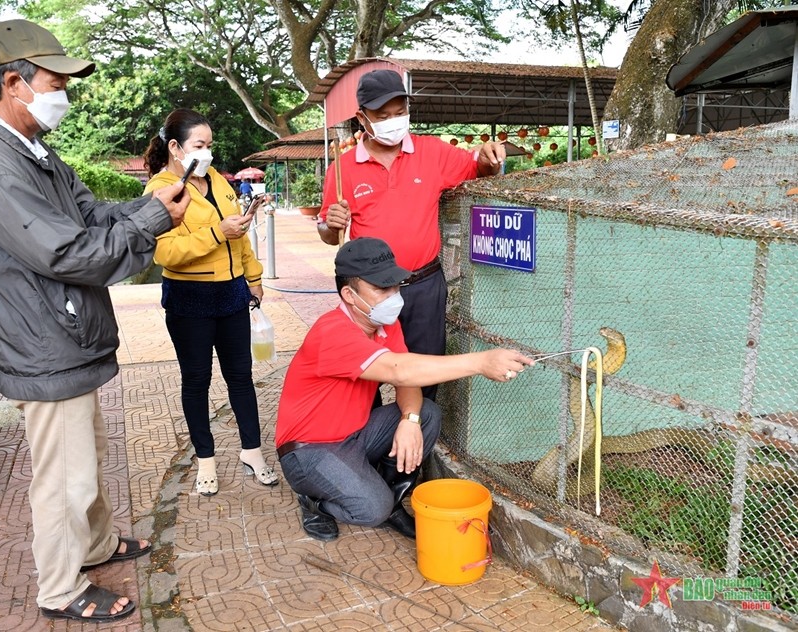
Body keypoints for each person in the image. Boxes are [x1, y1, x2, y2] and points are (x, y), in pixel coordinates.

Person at [0, 20, 191, 623]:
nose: (65, 95)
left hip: (65, 336)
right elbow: (68, 253)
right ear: (14, 83)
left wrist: (149, 206)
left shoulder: (34, 151)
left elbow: (90, 212)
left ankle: (97, 546)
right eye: (56, 82)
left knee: (88, 455)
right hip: (44, 342)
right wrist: (152, 223)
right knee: (64, 477)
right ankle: (59, 589)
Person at [275, 238, 533, 541]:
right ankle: (316, 500)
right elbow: (400, 369)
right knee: (373, 511)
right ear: (349, 294)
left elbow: (406, 381)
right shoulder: (331, 333)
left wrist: (409, 420)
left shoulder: (384, 323)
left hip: (356, 435)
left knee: (425, 412)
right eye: (382, 289)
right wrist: (481, 361)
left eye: (396, 287)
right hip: (310, 451)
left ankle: (388, 496)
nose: (394, 297)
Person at [318, 69, 507, 402]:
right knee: (367, 374)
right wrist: (330, 225)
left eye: (400, 112)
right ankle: (369, 442)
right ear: (363, 118)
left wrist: (489, 157)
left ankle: (417, 434)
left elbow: (477, 167)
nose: (394, 121)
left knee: (426, 368)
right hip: (370, 292)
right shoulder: (342, 169)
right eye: (383, 116)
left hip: (423, 285)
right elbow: (329, 235)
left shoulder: (432, 152)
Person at [143, 109, 278, 496]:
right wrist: (217, 232)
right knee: (197, 380)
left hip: (233, 293)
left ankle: (252, 451)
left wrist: (253, 278)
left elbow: (241, 234)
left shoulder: (218, 180)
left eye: (209, 145)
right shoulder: (161, 189)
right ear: (175, 147)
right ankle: (206, 459)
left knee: (241, 378)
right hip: (190, 300)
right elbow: (165, 253)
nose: (207, 153)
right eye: (199, 146)